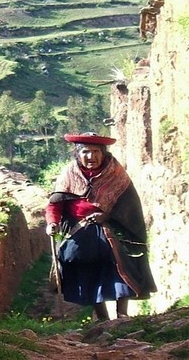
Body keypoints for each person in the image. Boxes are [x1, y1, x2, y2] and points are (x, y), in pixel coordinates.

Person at [45, 132, 156, 321]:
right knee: (89, 275)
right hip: (80, 233)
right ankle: (103, 319)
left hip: (110, 230)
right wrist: (52, 223)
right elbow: (55, 204)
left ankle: (122, 316)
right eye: (86, 152)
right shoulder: (69, 174)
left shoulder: (115, 173)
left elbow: (128, 204)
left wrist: (107, 215)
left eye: (96, 151)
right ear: (77, 154)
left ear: (103, 153)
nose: (91, 156)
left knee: (120, 270)